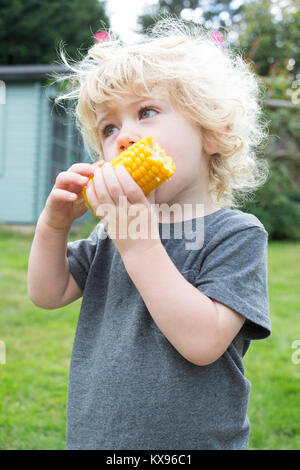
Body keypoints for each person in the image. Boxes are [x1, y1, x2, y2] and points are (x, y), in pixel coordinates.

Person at [28, 18, 271, 450]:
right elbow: (48, 292)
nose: (124, 138)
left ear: (213, 132)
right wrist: (54, 226)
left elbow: (202, 343)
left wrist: (138, 243)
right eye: (109, 128)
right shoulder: (111, 234)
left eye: (147, 112)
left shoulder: (234, 234)